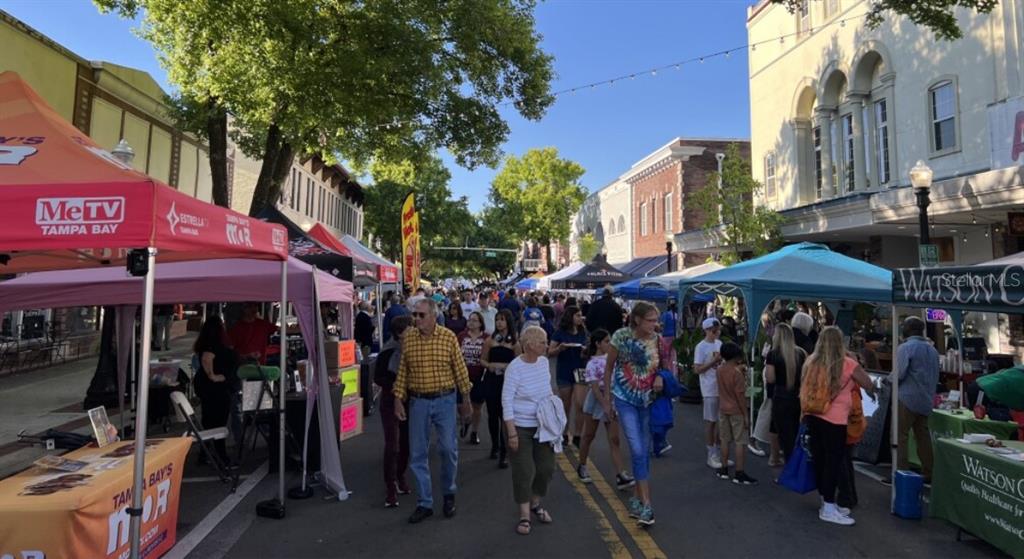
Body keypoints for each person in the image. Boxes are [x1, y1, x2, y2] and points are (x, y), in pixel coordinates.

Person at [392, 299, 472, 524]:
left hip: (445, 399)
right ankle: (424, 502)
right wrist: (398, 399)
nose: (416, 319)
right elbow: (403, 371)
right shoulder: (409, 338)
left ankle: (449, 493)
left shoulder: (448, 337)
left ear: (434, 316)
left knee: (448, 449)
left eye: (421, 315)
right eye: (414, 315)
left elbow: (460, 369)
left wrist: (466, 399)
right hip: (418, 402)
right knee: (418, 453)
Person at [800, 326, 877, 526]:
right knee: (833, 462)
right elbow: (868, 383)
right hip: (835, 419)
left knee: (819, 459)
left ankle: (825, 500)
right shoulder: (847, 363)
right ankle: (828, 505)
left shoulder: (811, 361)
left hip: (813, 414)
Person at [603, 302, 667, 527]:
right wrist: (608, 400)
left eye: (656, 320)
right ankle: (647, 505)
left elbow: (664, 367)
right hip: (624, 399)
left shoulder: (658, 340)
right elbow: (609, 368)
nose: (654, 324)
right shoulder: (621, 336)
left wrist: (660, 377)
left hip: (648, 400)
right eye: (650, 320)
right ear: (637, 319)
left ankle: (638, 500)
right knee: (637, 449)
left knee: (643, 451)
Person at [502, 326, 560, 536]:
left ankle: (535, 502)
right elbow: (506, 400)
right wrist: (511, 433)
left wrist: (556, 420)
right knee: (524, 471)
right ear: (530, 345)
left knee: (547, 468)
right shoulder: (515, 368)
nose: (546, 345)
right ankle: (524, 515)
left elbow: (547, 391)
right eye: (543, 342)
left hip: (543, 425)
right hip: (520, 426)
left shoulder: (543, 363)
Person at [576, 329, 634, 489]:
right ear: (598, 344)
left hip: (612, 398)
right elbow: (594, 387)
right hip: (597, 400)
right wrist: (605, 404)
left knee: (614, 438)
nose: (610, 344)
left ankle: (620, 474)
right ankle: (582, 464)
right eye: (607, 341)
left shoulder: (612, 359)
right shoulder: (592, 363)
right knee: (589, 435)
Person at [894, 316, 940, 481]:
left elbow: (899, 374)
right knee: (923, 436)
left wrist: (886, 381)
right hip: (926, 398)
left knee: (900, 436)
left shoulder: (905, 348)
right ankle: (929, 471)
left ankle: (900, 472)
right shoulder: (933, 350)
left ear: (907, 329)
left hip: (907, 398)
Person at [375, 315, 413, 508]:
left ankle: (400, 475)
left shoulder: (415, 348)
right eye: (409, 329)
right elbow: (378, 377)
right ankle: (390, 485)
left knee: (406, 443)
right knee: (393, 444)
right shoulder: (388, 351)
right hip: (390, 401)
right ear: (399, 333)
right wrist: (396, 386)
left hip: (410, 400)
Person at [193, 316, 240, 463]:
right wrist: (214, 376)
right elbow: (207, 359)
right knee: (218, 422)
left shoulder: (207, 344)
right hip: (217, 389)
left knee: (209, 420)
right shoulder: (213, 346)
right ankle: (220, 454)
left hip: (209, 388)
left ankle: (206, 452)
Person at [480, 310, 521, 468]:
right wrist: (489, 365)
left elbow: (519, 363)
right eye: (497, 319)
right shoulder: (490, 341)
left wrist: (506, 367)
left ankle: (504, 451)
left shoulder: (515, 343)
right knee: (492, 415)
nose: (499, 322)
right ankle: (495, 445)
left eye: (502, 320)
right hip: (492, 380)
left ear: (508, 322)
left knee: (505, 417)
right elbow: (482, 360)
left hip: (507, 383)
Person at [714, 342, 756, 485]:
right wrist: (746, 415)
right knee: (740, 441)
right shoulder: (737, 374)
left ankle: (724, 468)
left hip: (723, 408)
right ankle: (739, 472)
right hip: (736, 410)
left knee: (724, 439)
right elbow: (740, 396)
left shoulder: (719, 370)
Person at [764, 323, 807, 461]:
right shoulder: (801, 353)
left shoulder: (773, 354)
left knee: (784, 435)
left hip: (781, 397)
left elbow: (770, 378)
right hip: (798, 397)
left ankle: (788, 464)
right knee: (795, 432)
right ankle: (795, 463)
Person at [549, 306, 589, 448]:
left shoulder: (583, 332)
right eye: (577, 315)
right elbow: (550, 352)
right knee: (566, 404)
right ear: (570, 317)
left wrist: (585, 351)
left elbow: (588, 350)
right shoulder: (559, 333)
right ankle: (565, 432)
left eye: (581, 315)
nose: (580, 318)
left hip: (580, 369)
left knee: (580, 403)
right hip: (564, 370)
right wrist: (560, 348)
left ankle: (578, 434)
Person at [694, 318, 724, 469]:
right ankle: (711, 454)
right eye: (713, 330)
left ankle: (719, 453)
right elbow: (697, 369)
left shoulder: (720, 344)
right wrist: (714, 361)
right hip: (709, 389)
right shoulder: (701, 347)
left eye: (718, 330)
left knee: (721, 422)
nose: (716, 333)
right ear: (706, 330)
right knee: (711, 422)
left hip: (721, 387)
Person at [458, 312, 489, 445]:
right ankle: (465, 421)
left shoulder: (486, 338)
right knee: (461, 405)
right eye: (470, 320)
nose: (471, 322)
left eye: (474, 320)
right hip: (463, 375)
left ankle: (474, 432)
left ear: (480, 323)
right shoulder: (462, 336)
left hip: (479, 376)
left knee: (477, 406)